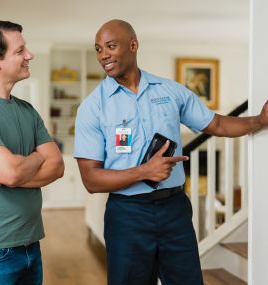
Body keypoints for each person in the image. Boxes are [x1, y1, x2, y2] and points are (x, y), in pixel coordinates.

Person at [74, 19, 268, 285]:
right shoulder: (92, 107)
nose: (103, 55)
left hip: (175, 210)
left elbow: (218, 124)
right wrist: (145, 171)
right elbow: (91, 180)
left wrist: (259, 121)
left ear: (133, 45)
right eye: (98, 49)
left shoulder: (170, 91)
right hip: (127, 215)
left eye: (110, 46)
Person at [0, 20, 64, 285]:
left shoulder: (27, 110)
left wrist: (18, 171)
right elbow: (10, 171)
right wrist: (33, 159)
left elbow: (57, 165)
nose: (29, 55)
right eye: (20, 51)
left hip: (31, 242)